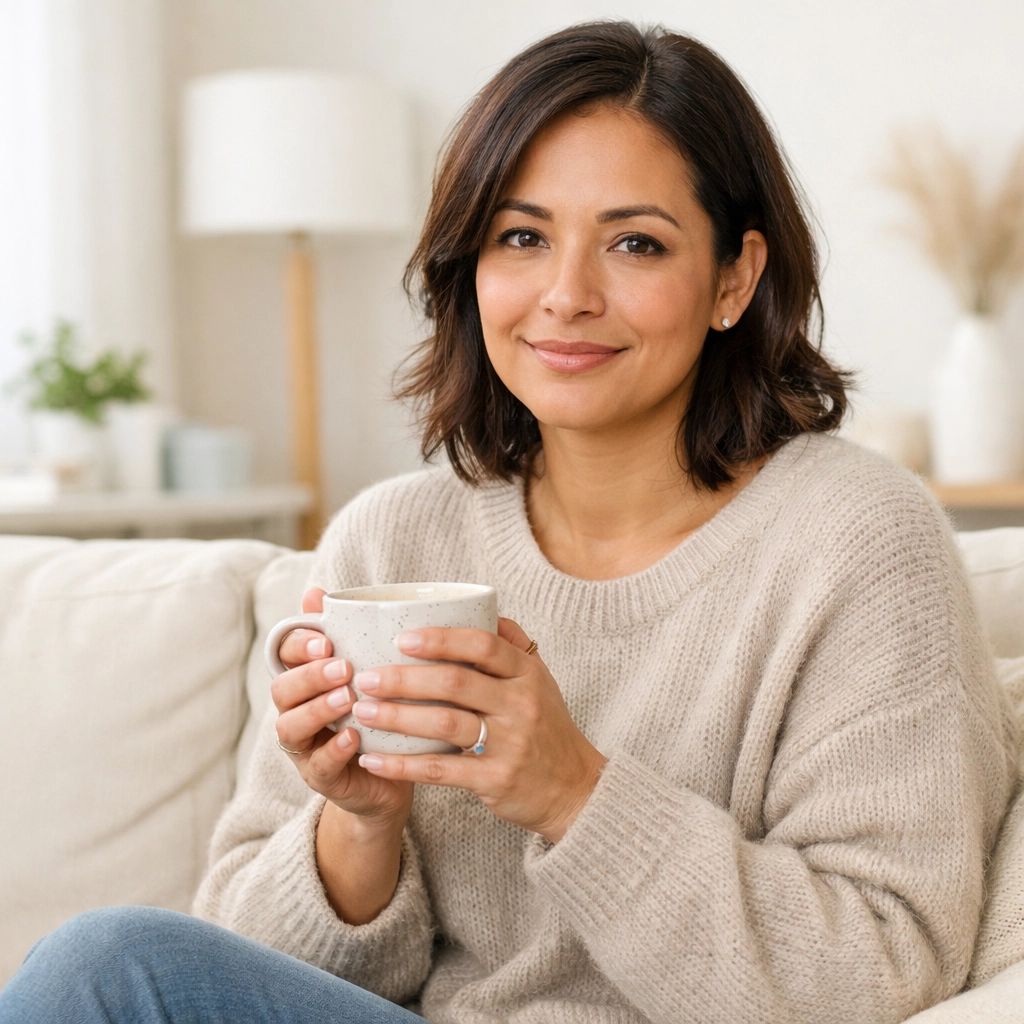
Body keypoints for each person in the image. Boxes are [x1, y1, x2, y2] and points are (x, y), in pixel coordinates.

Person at [1, 20, 1018, 1024]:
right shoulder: (391, 542)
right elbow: (231, 970)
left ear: (733, 278)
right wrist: (359, 825)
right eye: (521, 237)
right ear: (471, 268)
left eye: (634, 242)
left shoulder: (858, 541)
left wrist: (572, 790)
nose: (565, 296)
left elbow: (887, 963)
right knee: (113, 967)